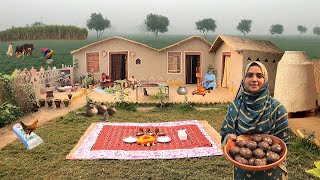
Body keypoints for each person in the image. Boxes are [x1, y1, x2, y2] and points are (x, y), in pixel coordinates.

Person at [220, 61, 290, 179]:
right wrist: (229, 138)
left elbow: (283, 144)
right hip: (242, 171)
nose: (254, 79)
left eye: (259, 76)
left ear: (265, 79)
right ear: (244, 78)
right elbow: (225, 134)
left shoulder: (276, 108)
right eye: (249, 75)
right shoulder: (235, 107)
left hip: (271, 172)